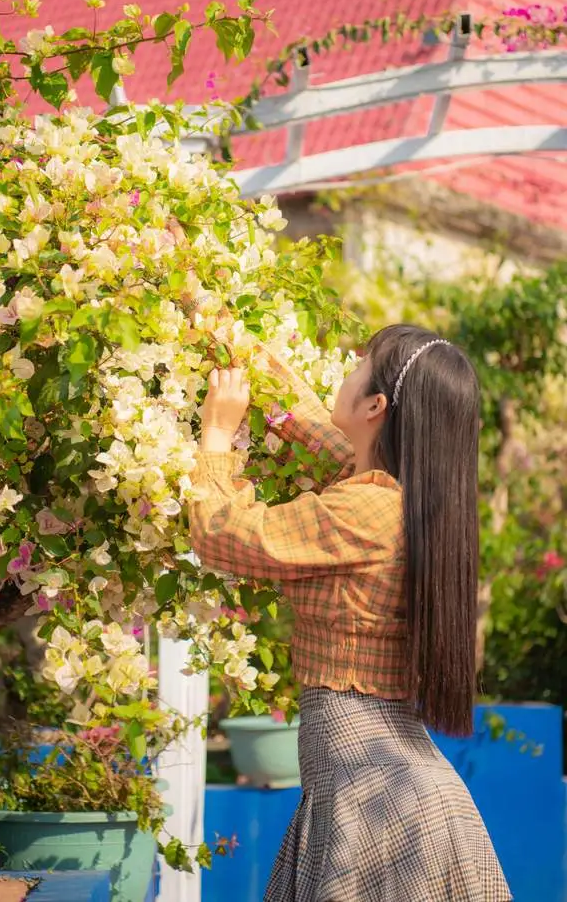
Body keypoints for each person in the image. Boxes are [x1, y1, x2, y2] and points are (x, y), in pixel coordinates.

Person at [188, 323, 512, 902]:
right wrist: (228, 335)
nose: (345, 367)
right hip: (391, 778)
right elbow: (315, 431)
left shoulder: (365, 510)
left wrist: (216, 433)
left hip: (375, 791)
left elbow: (224, 534)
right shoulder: (400, 497)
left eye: (360, 363)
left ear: (375, 404)